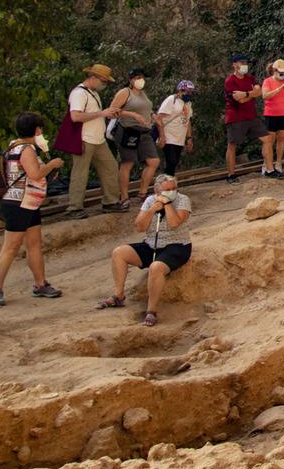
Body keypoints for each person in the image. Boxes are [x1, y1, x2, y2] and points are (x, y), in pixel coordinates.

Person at [0, 111, 65, 307]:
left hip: (28, 203)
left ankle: (40, 283)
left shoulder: (14, 146)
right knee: (11, 247)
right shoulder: (27, 150)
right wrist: (52, 165)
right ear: (36, 129)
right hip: (19, 203)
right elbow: (35, 173)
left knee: (34, 244)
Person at [99, 175, 192, 327]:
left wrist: (167, 204)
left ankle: (151, 310)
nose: (172, 192)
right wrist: (151, 210)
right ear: (157, 191)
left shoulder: (182, 200)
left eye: (173, 189)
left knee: (156, 267)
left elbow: (175, 223)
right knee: (119, 252)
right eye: (167, 190)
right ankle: (118, 295)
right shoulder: (149, 201)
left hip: (177, 245)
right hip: (152, 244)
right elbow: (139, 227)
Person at [65, 63, 124, 216]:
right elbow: (75, 116)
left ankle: (110, 201)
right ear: (93, 78)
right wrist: (102, 114)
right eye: (103, 81)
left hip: (98, 139)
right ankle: (74, 207)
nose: (104, 85)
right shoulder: (79, 93)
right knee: (80, 173)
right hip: (84, 139)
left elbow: (96, 114)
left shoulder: (93, 93)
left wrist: (108, 114)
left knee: (110, 167)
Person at [111, 68, 161, 202]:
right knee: (128, 163)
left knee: (153, 161)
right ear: (131, 80)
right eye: (138, 78)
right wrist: (132, 114)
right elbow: (112, 110)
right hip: (128, 130)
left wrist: (153, 116)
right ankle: (124, 196)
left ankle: (142, 193)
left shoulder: (143, 94)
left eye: (143, 78)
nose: (141, 80)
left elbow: (147, 108)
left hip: (144, 131)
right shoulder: (125, 92)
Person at [223, 55, 271, 182]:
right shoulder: (230, 81)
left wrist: (247, 94)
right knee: (232, 145)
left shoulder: (250, 78)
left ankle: (270, 170)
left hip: (251, 116)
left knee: (267, 139)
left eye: (246, 62)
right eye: (242, 62)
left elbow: (259, 92)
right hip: (235, 117)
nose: (244, 65)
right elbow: (240, 100)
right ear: (234, 64)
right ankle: (231, 175)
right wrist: (251, 94)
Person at [260, 59, 284, 179]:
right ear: (274, 71)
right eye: (281, 73)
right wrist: (279, 89)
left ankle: (278, 163)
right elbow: (265, 96)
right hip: (271, 114)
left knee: (282, 138)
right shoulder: (267, 81)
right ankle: (267, 165)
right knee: (269, 141)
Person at [156, 80, 195, 175]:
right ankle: (165, 184)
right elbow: (159, 118)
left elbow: (188, 121)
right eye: (188, 91)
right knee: (171, 161)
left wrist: (189, 138)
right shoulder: (171, 100)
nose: (189, 94)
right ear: (181, 90)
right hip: (169, 136)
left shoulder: (188, 104)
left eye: (191, 92)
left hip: (180, 138)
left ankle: (170, 184)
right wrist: (162, 136)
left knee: (174, 163)